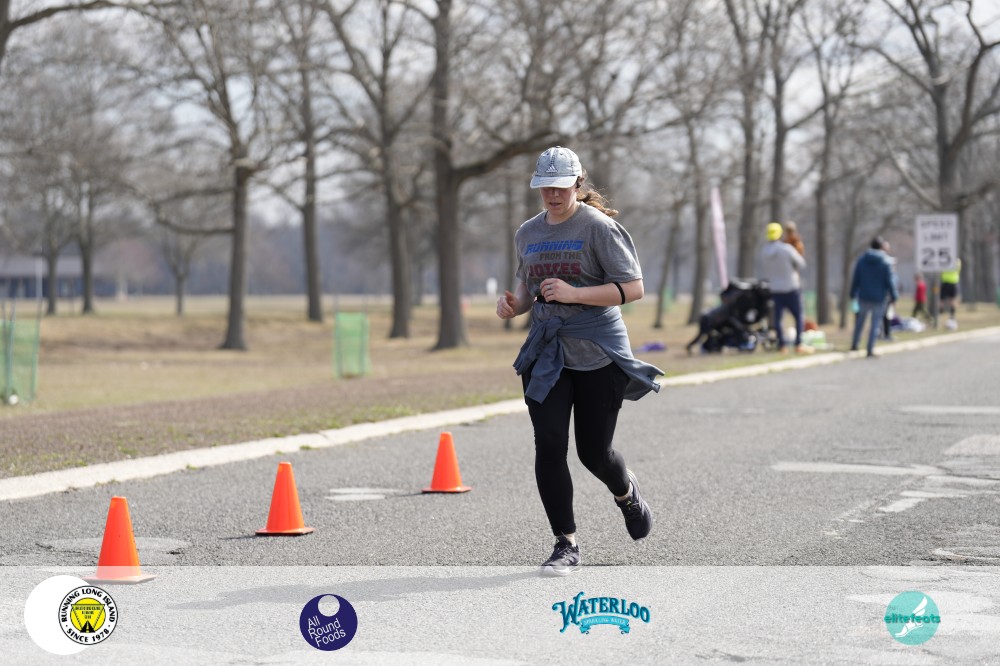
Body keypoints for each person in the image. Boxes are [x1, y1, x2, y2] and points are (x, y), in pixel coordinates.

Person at [496, 146, 663, 577]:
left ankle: (626, 494)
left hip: (597, 352)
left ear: (577, 182)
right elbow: (527, 288)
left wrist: (574, 294)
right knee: (550, 443)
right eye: (545, 187)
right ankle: (565, 543)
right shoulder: (528, 232)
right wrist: (513, 305)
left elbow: (633, 288)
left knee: (594, 453)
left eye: (560, 186)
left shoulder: (599, 228)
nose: (552, 194)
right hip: (547, 352)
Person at [758, 222, 813, 354]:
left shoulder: (764, 252)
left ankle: (782, 345)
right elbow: (801, 263)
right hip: (791, 287)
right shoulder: (786, 249)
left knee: (778, 318)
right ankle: (798, 344)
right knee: (798, 316)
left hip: (775, 289)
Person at [849, 236, 899, 357]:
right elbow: (889, 282)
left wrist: (852, 293)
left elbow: (856, 279)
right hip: (879, 297)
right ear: (881, 247)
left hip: (864, 295)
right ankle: (870, 349)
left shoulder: (862, 260)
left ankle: (855, 344)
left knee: (860, 321)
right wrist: (894, 296)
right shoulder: (885, 262)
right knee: (875, 323)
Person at [940, 259, 961, 330]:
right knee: (948, 300)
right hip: (951, 281)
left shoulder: (946, 259)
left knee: (949, 301)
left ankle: (951, 316)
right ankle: (947, 315)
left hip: (949, 281)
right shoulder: (957, 260)